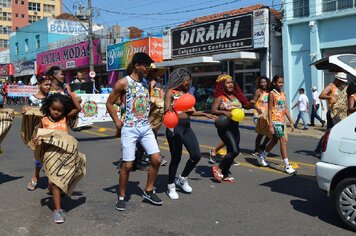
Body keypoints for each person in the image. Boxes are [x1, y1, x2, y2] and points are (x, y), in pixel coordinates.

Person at [106, 52, 163, 211]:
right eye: (146, 65)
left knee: (157, 159)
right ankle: (122, 196)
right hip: (129, 129)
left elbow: (144, 103)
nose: (148, 68)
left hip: (145, 128)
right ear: (137, 65)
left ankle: (149, 191)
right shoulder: (123, 83)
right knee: (128, 165)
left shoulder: (146, 83)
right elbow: (109, 103)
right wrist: (117, 122)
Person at [164, 68, 214, 199]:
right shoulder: (170, 92)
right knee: (176, 158)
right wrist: (175, 107)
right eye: (186, 80)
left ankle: (182, 178)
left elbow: (191, 111)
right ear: (179, 80)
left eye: (188, 80)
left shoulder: (186, 94)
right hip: (175, 127)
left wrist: (204, 113)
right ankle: (171, 186)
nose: (188, 82)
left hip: (186, 127)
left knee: (196, 155)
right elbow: (166, 112)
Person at [33, 93, 81, 223]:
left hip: (65, 154)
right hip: (50, 155)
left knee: (63, 179)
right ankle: (58, 210)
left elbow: (78, 108)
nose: (56, 112)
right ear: (48, 107)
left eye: (60, 110)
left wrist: (70, 94)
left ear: (64, 110)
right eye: (54, 109)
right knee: (55, 182)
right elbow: (36, 135)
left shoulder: (64, 118)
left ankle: (54, 190)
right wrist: (36, 138)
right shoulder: (43, 121)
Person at [211, 74, 251, 183]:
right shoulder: (220, 97)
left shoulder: (236, 96)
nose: (230, 84)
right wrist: (224, 111)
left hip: (235, 127)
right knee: (235, 150)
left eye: (232, 82)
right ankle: (218, 168)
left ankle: (225, 173)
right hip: (225, 127)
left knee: (231, 152)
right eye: (228, 83)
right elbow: (213, 110)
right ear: (223, 85)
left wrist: (252, 103)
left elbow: (246, 105)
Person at [257, 75, 296, 175]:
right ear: (274, 83)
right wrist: (270, 125)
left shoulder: (283, 93)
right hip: (275, 120)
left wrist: (291, 121)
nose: (281, 84)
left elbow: (285, 108)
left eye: (282, 82)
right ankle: (287, 165)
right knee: (282, 140)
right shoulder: (272, 94)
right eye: (279, 82)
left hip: (281, 120)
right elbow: (269, 110)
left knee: (274, 140)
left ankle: (262, 157)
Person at [26, 75, 52, 191]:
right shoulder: (31, 98)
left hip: (51, 129)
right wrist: (24, 110)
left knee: (51, 154)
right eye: (46, 84)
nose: (48, 87)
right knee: (38, 155)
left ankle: (52, 181)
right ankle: (36, 175)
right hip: (37, 131)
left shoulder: (52, 97)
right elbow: (29, 114)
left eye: (50, 85)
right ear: (39, 84)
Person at [251, 76, 271, 156]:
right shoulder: (258, 91)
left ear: (267, 83)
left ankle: (262, 147)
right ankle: (256, 149)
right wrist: (258, 109)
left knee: (270, 133)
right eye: (261, 82)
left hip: (267, 115)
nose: (263, 84)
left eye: (264, 82)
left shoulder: (270, 91)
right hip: (258, 115)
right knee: (261, 133)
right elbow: (252, 102)